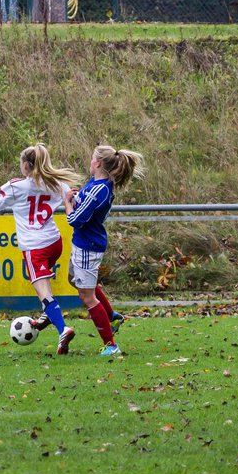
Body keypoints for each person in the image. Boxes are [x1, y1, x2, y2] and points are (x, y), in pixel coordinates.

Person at [0, 144, 83, 355]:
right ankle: (46, 316)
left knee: (43, 292)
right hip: (54, 243)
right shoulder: (56, 184)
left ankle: (63, 329)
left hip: (35, 248)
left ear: (25, 165)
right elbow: (75, 201)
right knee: (45, 285)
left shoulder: (16, 186)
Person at [64, 145, 145, 357]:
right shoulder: (99, 184)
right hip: (84, 243)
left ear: (98, 163)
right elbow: (84, 207)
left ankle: (110, 344)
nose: (90, 162)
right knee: (74, 280)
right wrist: (75, 198)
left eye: (92, 159)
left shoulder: (97, 190)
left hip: (87, 246)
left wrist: (67, 203)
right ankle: (111, 316)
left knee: (87, 297)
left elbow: (75, 219)